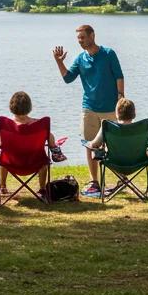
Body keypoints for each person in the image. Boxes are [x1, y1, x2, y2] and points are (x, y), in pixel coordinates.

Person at [52, 24, 125, 197]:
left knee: (113, 145)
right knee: (90, 144)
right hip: (89, 108)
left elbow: (119, 76)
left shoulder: (108, 54)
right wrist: (59, 62)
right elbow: (68, 79)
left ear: (92, 36)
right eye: (78, 38)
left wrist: (121, 97)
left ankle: (121, 179)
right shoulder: (80, 58)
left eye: (82, 37)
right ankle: (95, 182)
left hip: (110, 108)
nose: (80, 41)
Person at [0, 91, 56, 193]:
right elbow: (52, 142)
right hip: (35, 163)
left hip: (11, 163)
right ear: (29, 107)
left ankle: (3, 186)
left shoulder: (5, 125)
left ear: (11, 107)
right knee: (44, 162)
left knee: (3, 157)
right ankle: (42, 188)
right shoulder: (40, 125)